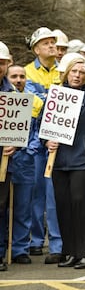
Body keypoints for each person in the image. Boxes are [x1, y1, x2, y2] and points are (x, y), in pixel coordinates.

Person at [46, 56, 85, 269]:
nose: (77, 76)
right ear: (66, 73)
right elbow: (44, 123)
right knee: (64, 206)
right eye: (74, 71)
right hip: (60, 160)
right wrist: (47, 140)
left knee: (82, 203)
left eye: (82, 73)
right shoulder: (56, 94)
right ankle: (71, 251)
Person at [24, 27, 63, 264]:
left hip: (58, 141)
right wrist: (51, 99)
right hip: (34, 142)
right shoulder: (26, 72)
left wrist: (44, 98)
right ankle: (36, 241)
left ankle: (57, 242)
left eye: (53, 42)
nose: (51, 46)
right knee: (36, 195)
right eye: (46, 43)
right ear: (36, 48)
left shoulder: (64, 70)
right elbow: (32, 105)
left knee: (55, 195)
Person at [6, 65, 44, 265]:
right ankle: (4, 246)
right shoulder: (4, 99)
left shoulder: (35, 101)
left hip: (26, 160)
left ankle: (20, 248)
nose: (18, 80)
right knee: (3, 207)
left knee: (23, 207)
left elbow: (39, 130)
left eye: (22, 76)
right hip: (5, 158)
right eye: (14, 76)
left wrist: (28, 148)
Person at [0, 41, 18, 271]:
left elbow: (18, 126)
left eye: (2, 63)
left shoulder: (12, 92)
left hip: (3, 159)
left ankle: (0, 252)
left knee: (0, 206)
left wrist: (15, 145)